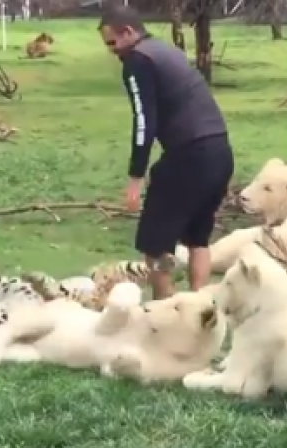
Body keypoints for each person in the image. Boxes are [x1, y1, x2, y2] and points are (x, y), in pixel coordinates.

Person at [98, 5, 234, 300]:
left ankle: (165, 308)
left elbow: (144, 121)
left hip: (189, 156)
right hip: (220, 150)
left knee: (155, 243)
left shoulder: (137, 60)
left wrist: (135, 176)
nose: (112, 51)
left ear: (128, 33)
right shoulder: (164, 50)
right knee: (198, 238)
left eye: (112, 43)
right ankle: (201, 305)